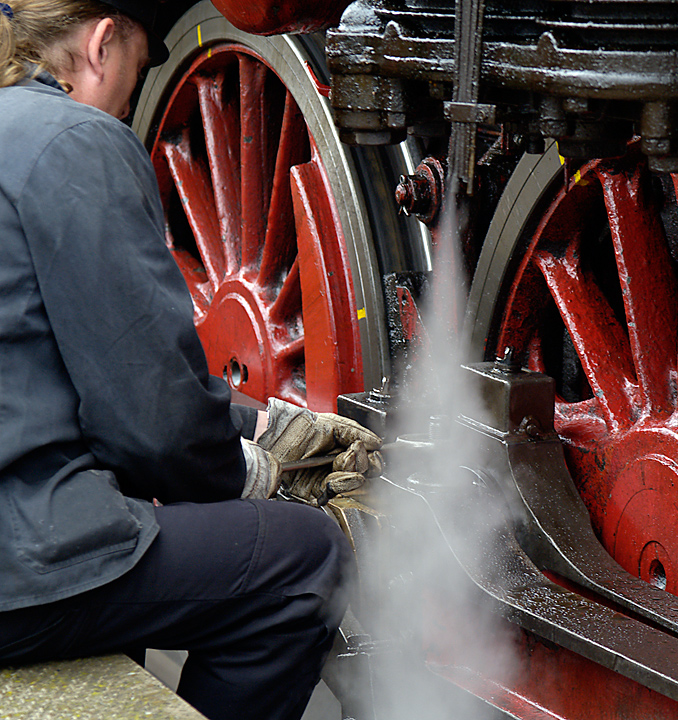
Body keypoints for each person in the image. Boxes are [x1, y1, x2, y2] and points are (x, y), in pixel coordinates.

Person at [0, 1, 382, 719]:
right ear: (104, 43)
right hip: (16, 567)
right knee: (304, 557)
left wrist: (261, 423)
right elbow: (150, 429)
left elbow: (46, 371)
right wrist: (259, 474)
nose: (131, 98)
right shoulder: (76, 141)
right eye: (143, 70)